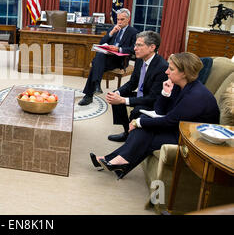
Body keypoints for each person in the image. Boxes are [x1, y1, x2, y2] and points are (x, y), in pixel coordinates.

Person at [90, 52, 220, 179]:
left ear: (184, 73)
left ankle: (116, 161)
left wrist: (137, 122)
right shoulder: (179, 85)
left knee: (143, 128)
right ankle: (117, 162)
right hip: (178, 128)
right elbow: (160, 111)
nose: (166, 72)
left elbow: (169, 121)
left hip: (193, 139)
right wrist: (165, 93)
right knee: (143, 125)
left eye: (171, 69)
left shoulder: (196, 96)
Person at [106, 31, 168, 142]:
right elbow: (132, 83)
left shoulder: (162, 67)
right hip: (142, 94)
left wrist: (123, 100)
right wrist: (118, 93)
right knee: (115, 95)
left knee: (135, 110)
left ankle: (132, 137)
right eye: (135, 45)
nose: (135, 48)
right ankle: (127, 131)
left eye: (139, 45)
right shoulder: (140, 60)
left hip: (153, 101)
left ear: (152, 47)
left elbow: (152, 98)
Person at [79, 8, 138, 106]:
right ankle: (96, 86)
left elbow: (133, 49)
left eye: (122, 19)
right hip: (107, 58)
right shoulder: (112, 29)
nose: (119, 22)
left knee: (96, 64)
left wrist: (118, 49)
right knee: (100, 55)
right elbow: (102, 43)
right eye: (118, 19)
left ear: (128, 19)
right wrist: (111, 33)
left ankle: (89, 94)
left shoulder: (133, 32)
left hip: (120, 59)